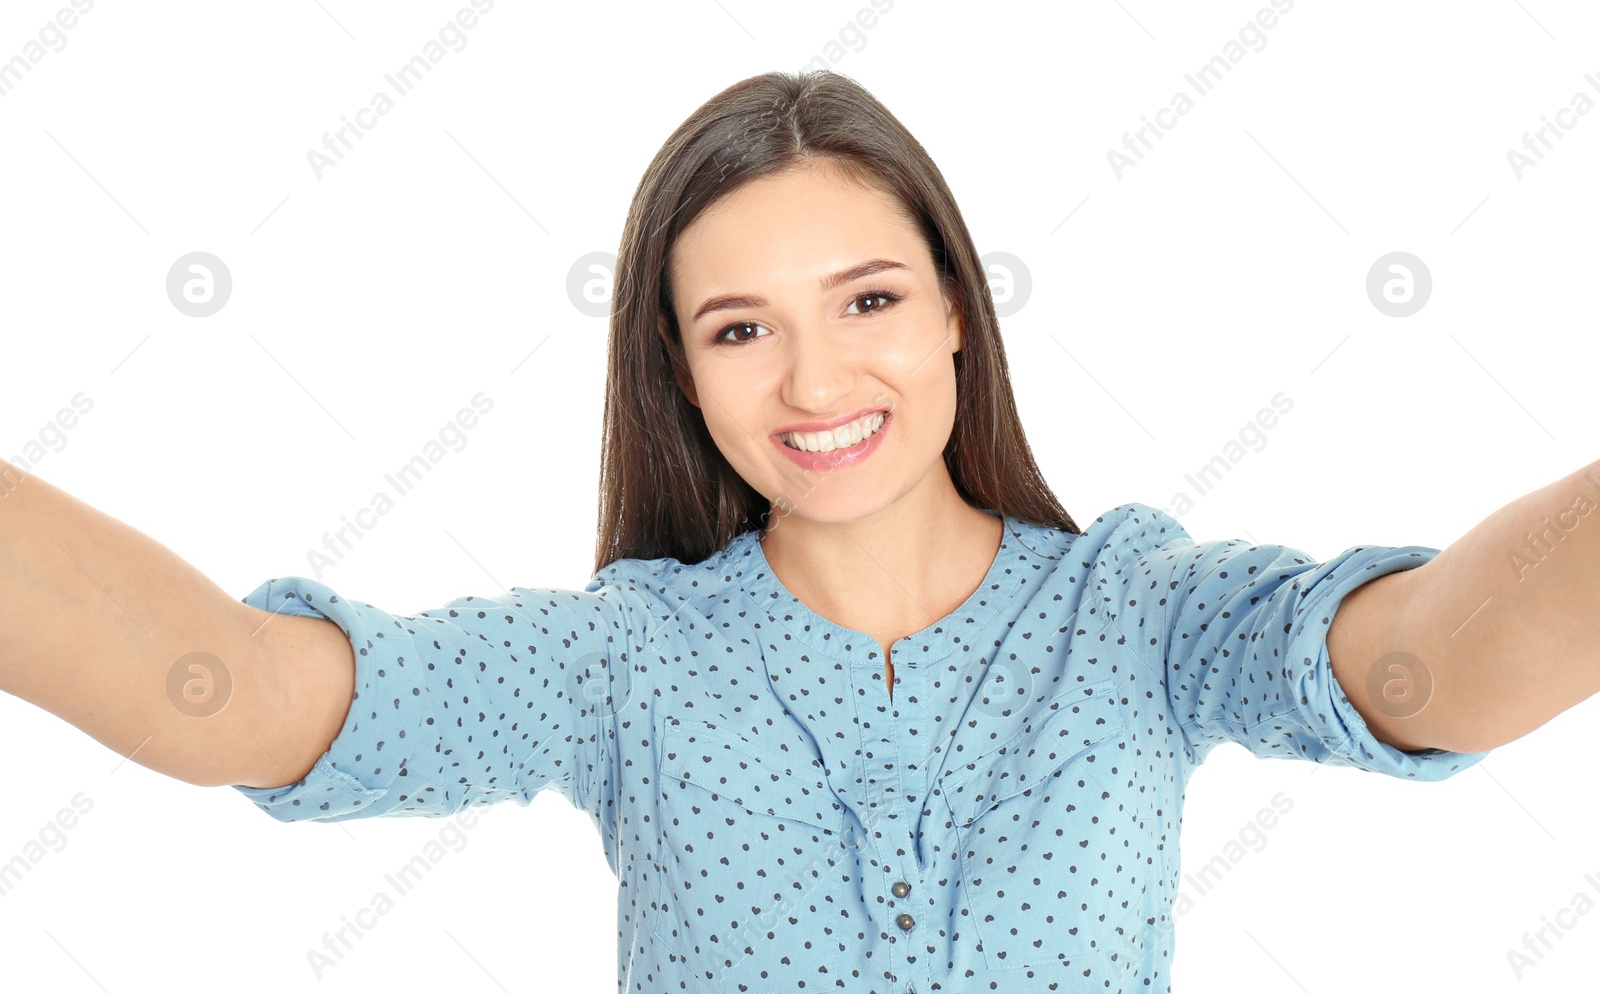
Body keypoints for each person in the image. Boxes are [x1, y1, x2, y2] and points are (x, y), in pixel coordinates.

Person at [3, 69, 1596, 992]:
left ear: (960, 313)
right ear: (681, 374)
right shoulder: (624, 658)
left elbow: (1421, 672)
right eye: (741, 329)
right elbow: (234, 691)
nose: (817, 377)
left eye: (870, 300)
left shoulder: (1143, 615)